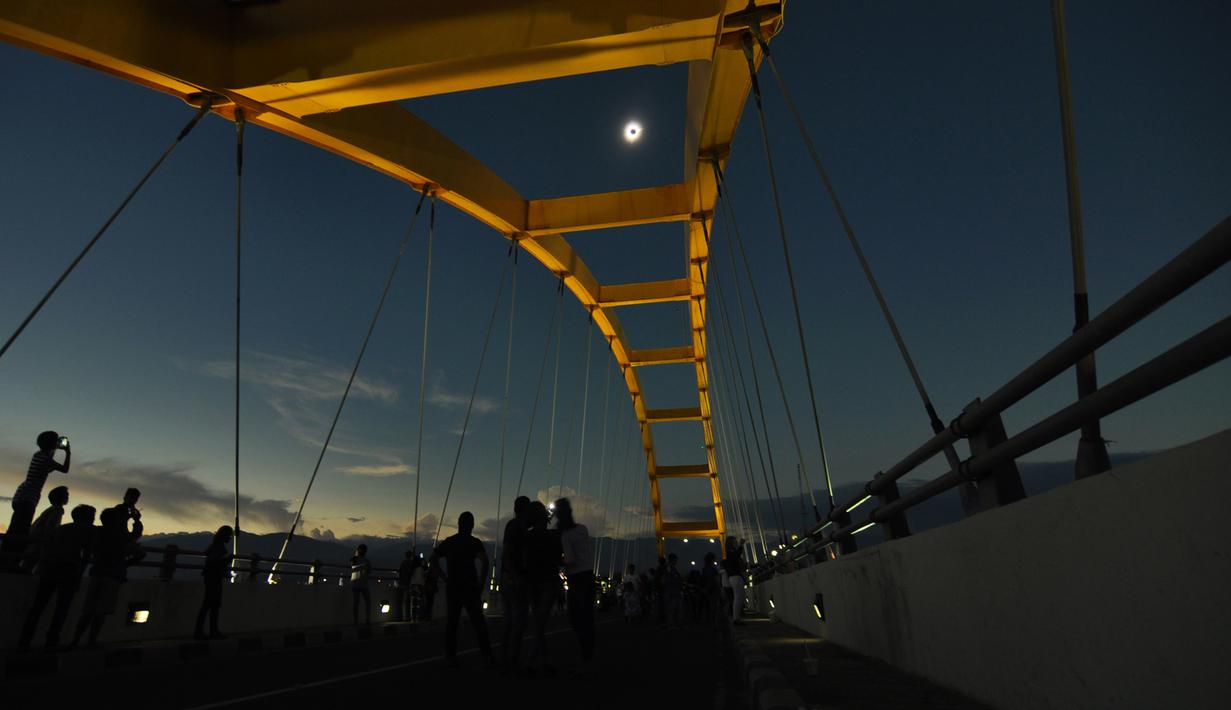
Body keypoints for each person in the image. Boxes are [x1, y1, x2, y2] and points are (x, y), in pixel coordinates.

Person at [17, 504, 95, 650]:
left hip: (49, 569)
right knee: (62, 609)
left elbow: (47, 548)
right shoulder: (88, 530)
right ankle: (51, 641)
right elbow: (86, 555)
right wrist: (79, 574)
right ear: (87, 517)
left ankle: (24, 640)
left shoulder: (61, 529)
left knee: (38, 606)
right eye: (92, 516)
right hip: (69, 571)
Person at [70, 506, 143, 648]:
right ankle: (91, 641)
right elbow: (139, 549)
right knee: (101, 612)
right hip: (113, 576)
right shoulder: (122, 536)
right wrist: (136, 521)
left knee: (88, 611)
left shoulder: (96, 532)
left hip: (96, 573)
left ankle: (75, 641)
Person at [429, 511, 492, 666]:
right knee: (479, 624)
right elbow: (485, 562)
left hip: (453, 587)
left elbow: (433, 558)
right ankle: (487, 657)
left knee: (452, 623)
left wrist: (444, 577)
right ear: (472, 525)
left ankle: (451, 657)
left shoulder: (450, 542)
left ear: (458, 524)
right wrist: (481, 583)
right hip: (470, 587)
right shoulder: (474, 542)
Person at [2, 431, 70, 572]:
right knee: (19, 530)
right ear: (51, 444)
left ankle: (9, 561)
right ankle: (9, 562)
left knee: (18, 528)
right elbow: (64, 469)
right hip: (27, 497)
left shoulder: (39, 456)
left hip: (24, 496)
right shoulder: (45, 458)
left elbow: (49, 465)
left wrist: (55, 448)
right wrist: (67, 452)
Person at [522, 501, 561, 675]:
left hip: (532, 583)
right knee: (540, 623)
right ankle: (540, 664)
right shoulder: (554, 536)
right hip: (549, 583)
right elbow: (558, 561)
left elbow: (524, 561)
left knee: (538, 623)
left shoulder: (527, 537)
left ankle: (534, 664)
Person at [555, 497, 595, 666]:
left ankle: (584, 656)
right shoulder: (583, 529)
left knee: (575, 618)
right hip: (588, 576)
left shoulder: (565, 535)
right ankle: (588, 655)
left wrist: (558, 561)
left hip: (576, 579)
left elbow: (570, 559)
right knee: (587, 617)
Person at [500, 496, 531, 671]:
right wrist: (516, 576)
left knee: (510, 620)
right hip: (514, 579)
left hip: (508, 578)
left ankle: (507, 659)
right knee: (517, 621)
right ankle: (512, 660)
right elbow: (507, 553)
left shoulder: (513, 526)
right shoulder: (517, 527)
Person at [194, 525, 233, 640]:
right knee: (210, 605)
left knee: (211, 605)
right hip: (214, 578)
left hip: (211, 577)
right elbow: (213, 561)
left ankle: (206, 630)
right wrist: (227, 559)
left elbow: (209, 556)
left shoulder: (215, 545)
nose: (230, 538)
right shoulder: (219, 547)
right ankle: (208, 631)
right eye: (229, 535)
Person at [21, 485, 69, 572]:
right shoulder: (58, 510)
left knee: (29, 563)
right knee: (33, 563)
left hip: (35, 538)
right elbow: (50, 526)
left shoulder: (50, 509)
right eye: (66, 495)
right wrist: (50, 538)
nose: (68, 497)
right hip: (41, 540)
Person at [722, 536, 747, 624]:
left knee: (739, 597)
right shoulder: (730, 553)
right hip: (735, 576)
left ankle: (736, 618)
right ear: (731, 543)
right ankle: (736, 619)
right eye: (734, 541)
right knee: (738, 597)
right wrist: (740, 546)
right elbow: (736, 556)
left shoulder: (728, 553)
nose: (736, 542)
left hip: (734, 577)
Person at [350, 543, 372, 626]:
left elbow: (352, 564)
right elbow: (369, 572)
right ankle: (367, 620)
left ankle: (356, 621)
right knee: (368, 602)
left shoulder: (354, 559)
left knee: (356, 603)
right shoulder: (367, 561)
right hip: (363, 584)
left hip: (355, 584)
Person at [701, 551, 722, 629]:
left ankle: (711, 623)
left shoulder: (704, 569)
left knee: (710, 608)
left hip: (707, 589)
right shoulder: (713, 569)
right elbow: (716, 580)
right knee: (715, 608)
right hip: (714, 589)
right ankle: (715, 624)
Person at [396, 550, 418, 622]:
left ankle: (400, 617)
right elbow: (411, 573)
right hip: (407, 584)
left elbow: (400, 572)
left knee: (400, 601)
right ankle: (407, 617)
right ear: (410, 556)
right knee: (407, 601)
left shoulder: (403, 563)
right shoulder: (410, 563)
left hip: (401, 583)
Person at [664, 553, 683, 629]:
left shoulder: (671, 568)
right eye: (675, 560)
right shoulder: (670, 569)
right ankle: (671, 624)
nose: (676, 561)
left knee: (673, 609)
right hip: (672, 591)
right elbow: (668, 579)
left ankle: (672, 624)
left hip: (673, 591)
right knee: (672, 609)